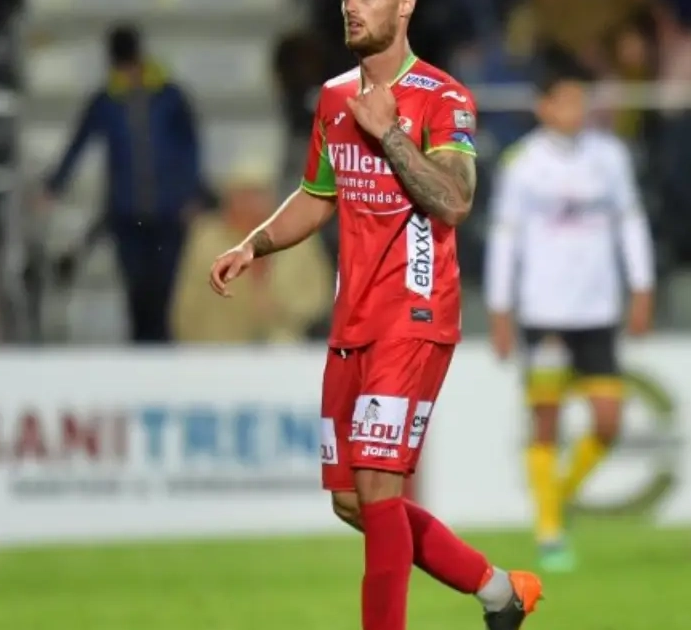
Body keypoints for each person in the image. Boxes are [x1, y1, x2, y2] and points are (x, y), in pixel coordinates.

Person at [207, 1, 542, 629]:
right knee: (351, 499)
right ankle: (500, 591)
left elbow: (456, 201)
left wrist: (389, 133)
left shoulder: (444, 98)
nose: (351, 6)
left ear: (405, 5)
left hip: (413, 316)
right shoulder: (334, 98)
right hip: (353, 321)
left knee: (378, 485)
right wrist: (254, 244)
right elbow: (317, 196)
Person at [484, 66, 655, 572]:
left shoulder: (610, 156)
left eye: (582, 101)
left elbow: (630, 221)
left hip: (597, 309)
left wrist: (642, 287)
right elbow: (504, 236)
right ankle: (550, 533)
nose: (577, 111)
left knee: (608, 422)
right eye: (566, 101)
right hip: (544, 311)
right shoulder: (523, 163)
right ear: (544, 107)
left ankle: (555, 499)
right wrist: (500, 309)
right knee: (546, 420)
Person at [45, 23, 215, 344]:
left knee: (166, 289)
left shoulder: (169, 97)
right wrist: (54, 185)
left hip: (168, 211)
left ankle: (161, 349)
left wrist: (192, 193)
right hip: (126, 214)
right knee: (136, 289)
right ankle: (142, 349)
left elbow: (191, 147)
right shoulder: (107, 101)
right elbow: (79, 143)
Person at [171, 159, 333, 344]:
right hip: (218, 348)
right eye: (243, 195)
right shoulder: (206, 237)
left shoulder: (300, 234)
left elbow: (320, 297)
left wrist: (279, 307)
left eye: (259, 194)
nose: (252, 204)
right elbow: (185, 308)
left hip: (287, 348)